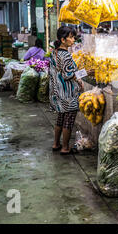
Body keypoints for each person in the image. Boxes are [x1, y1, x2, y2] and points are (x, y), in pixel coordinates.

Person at [49, 26, 84, 155]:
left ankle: (56, 143)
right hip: (67, 93)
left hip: (57, 92)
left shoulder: (55, 52)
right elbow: (68, 75)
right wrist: (83, 75)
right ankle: (65, 147)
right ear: (63, 39)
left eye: (73, 37)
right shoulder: (66, 56)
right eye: (71, 37)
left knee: (60, 118)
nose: (73, 40)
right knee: (68, 121)